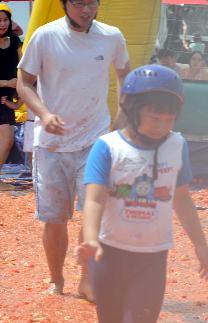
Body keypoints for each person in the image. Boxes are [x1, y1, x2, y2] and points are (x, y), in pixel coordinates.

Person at [77, 65, 208, 323]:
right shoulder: (107, 147)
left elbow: (183, 199)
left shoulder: (178, 145)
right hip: (109, 255)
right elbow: (93, 198)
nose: (162, 124)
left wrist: (202, 247)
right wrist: (90, 238)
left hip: (152, 258)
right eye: (155, 116)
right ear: (133, 109)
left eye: (168, 117)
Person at [17, 0, 131, 300]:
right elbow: (24, 83)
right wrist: (43, 114)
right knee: (55, 219)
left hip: (95, 140)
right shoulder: (45, 36)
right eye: (79, 3)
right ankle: (56, 279)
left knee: (93, 214)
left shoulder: (111, 36)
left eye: (91, 3)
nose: (86, 10)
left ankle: (87, 279)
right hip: (51, 145)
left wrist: (121, 116)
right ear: (65, 4)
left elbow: (124, 75)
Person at [0, 3, 22, 173]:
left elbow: (24, 69)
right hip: (4, 93)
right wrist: (8, 83)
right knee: (7, 140)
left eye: (5, 20)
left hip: (6, 99)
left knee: (7, 140)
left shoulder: (14, 41)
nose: (2, 24)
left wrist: (19, 97)